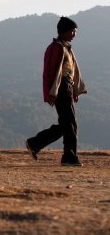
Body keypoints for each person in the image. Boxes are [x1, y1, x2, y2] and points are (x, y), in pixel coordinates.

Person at [25, 16, 87, 166]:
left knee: (65, 124)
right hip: (62, 88)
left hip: (67, 88)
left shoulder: (65, 47)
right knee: (70, 124)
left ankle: (34, 143)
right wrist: (53, 92)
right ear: (65, 31)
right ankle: (69, 157)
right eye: (73, 31)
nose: (74, 34)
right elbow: (52, 72)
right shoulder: (57, 48)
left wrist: (73, 91)